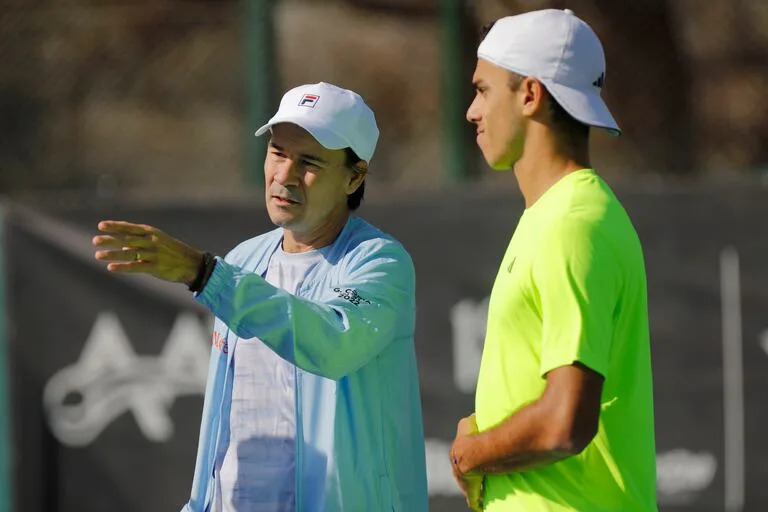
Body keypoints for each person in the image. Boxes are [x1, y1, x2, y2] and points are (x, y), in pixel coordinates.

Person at [93, 82, 428, 512]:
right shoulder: (243, 260)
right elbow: (226, 420)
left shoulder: (380, 263)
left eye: (309, 162)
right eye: (278, 153)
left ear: (355, 176)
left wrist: (204, 273)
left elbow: (334, 343)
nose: (284, 176)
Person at [449, 9, 657, 512]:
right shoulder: (557, 216)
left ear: (530, 95)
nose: (471, 112)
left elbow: (566, 420)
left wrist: (470, 452)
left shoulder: (574, 223)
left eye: (482, 90)